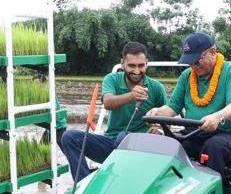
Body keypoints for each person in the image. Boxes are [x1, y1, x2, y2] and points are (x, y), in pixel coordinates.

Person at [61, 41, 167, 182]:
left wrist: (159, 129)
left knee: (124, 137)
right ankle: (83, 183)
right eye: (131, 66)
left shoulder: (156, 88)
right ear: (122, 63)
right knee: (69, 137)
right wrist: (132, 96)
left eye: (141, 65)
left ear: (147, 63)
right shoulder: (111, 79)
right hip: (111, 143)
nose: (136, 71)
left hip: (141, 147)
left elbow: (167, 120)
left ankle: (123, 180)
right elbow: (108, 102)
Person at [145, 32, 231, 177]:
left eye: (197, 61)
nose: (194, 66)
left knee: (214, 146)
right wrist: (156, 113)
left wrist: (218, 117)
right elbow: (172, 107)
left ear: (212, 52)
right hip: (193, 134)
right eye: (190, 62)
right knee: (169, 147)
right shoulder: (186, 76)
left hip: (228, 135)